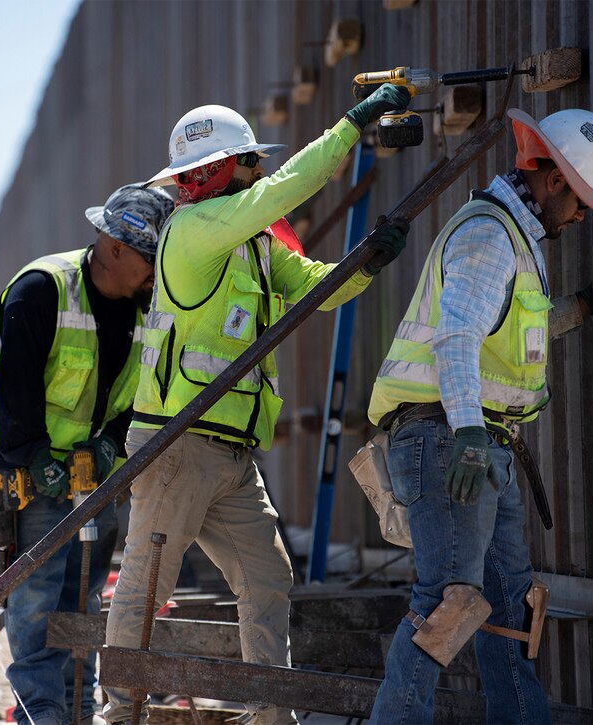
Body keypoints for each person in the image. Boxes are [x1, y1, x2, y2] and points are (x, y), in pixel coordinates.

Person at [102, 85, 413, 725]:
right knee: (147, 582)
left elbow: (317, 292)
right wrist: (350, 127)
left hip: (229, 450)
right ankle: (120, 713)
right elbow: (286, 190)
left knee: (267, 578)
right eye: (249, 162)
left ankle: (272, 714)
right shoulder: (191, 230)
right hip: (177, 443)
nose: (260, 171)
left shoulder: (252, 242)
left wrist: (368, 261)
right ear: (220, 170)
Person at [366, 108, 593, 723]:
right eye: (582, 198)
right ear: (555, 179)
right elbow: (456, 338)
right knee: (450, 601)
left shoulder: (516, 240)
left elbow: (507, 332)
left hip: (480, 446)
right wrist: (473, 434)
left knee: (507, 608)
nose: (584, 213)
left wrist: (581, 309)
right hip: (453, 440)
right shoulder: (489, 235)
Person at [0, 183, 175, 725]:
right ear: (114, 249)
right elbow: (14, 388)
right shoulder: (42, 289)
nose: (157, 274)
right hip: (23, 460)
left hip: (90, 467)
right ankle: (43, 712)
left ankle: (77, 710)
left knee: (82, 595)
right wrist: (37, 459)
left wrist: (110, 443)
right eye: (150, 260)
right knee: (35, 594)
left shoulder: (147, 305)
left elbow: (145, 390)